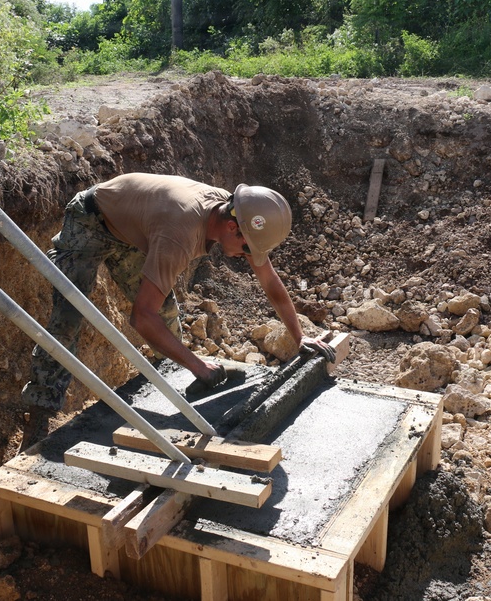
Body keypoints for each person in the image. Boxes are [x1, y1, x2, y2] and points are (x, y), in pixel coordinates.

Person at [22, 172, 336, 427]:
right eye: (247, 250)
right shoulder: (179, 235)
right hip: (92, 219)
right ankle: (41, 409)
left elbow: (269, 281)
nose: (247, 257)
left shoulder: (237, 212)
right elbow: (141, 317)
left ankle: (167, 389)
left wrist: (299, 337)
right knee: (69, 314)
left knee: (166, 316)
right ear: (232, 228)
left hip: (138, 229)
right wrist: (199, 365)